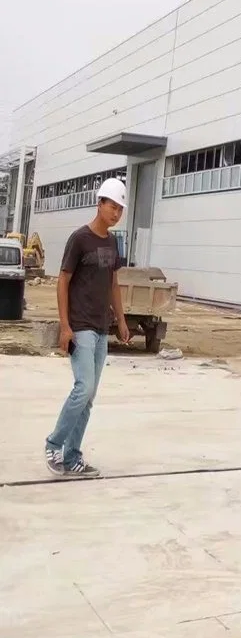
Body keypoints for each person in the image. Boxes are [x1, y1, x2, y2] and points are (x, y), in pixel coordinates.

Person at [44, 176, 131, 479]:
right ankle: (54, 444)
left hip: (101, 328)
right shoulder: (79, 239)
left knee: (90, 396)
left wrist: (120, 319)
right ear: (100, 203)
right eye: (113, 206)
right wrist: (65, 326)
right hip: (80, 325)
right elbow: (63, 280)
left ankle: (72, 457)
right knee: (83, 388)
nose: (116, 213)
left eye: (121, 209)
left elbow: (114, 283)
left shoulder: (112, 241)